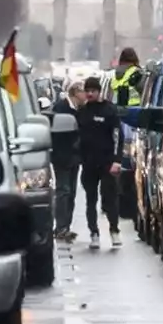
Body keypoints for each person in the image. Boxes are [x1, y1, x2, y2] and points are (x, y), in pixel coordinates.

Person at [77, 76, 123, 249]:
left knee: (110, 198)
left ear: (99, 91)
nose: (89, 94)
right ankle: (94, 232)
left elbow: (117, 136)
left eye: (93, 91)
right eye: (87, 91)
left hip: (107, 162)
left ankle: (114, 230)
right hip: (88, 163)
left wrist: (117, 160)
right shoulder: (82, 112)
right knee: (90, 199)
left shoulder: (110, 110)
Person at [50, 81, 84, 241]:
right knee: (63, 191)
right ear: (76, 92)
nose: (86, 95)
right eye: (84, 91)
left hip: (75, 157)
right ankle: (60, 227)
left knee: (71, 192)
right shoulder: (61, 108)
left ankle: (66, 226)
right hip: (62, 157)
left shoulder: (81, 109)